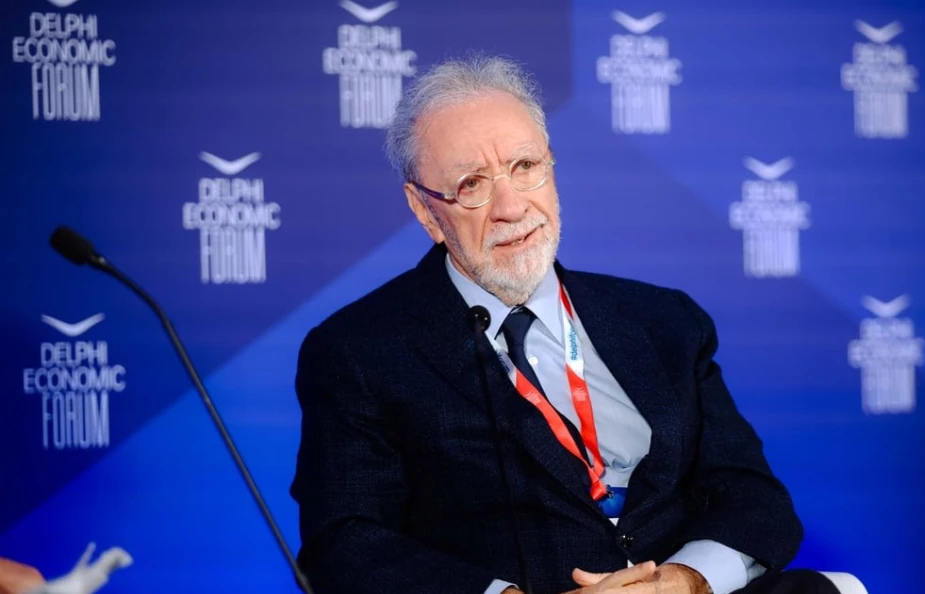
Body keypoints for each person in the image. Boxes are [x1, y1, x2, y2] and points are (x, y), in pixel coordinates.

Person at [290, 55, 839, 594]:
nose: (511, 207)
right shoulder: (359, 351)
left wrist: (682, 583)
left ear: (551, 168)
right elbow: (346, 541)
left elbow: (752, 498)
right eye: (472, 184)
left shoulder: (664, 320)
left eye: (525, 167)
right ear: (425, 210)